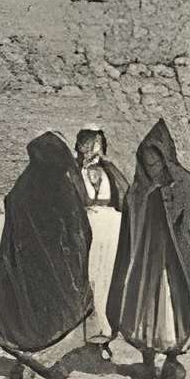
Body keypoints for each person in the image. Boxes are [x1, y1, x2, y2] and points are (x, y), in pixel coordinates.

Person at [110, 120, 190, 379]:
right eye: (146, 164)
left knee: (174, 306)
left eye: (155, 163)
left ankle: (172, 357)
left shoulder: (185, 185)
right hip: (146, 262)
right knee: (145, 307)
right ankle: (147, 358)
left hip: (175, 263)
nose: (151, 169)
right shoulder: (138, 191)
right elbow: (130, 228)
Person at [0, 132, 97, 379]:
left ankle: (30, 354)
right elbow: (78, 228)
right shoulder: (62, 185)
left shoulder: (25, 183)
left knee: (30, 308)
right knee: (55, 310)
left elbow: (12, 211)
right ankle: (41, 356)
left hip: (29, 263)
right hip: (56, 264)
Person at [73, 124, 127, 354]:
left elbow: (126, 195)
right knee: (90, 277)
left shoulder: (110, 170)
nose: (95, 150)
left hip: (111, 225)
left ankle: (105, 333)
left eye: (98, 145)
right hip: (88, 225)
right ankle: (87, 332)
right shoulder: (74, 172)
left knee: (107, 278)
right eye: (91, 145)